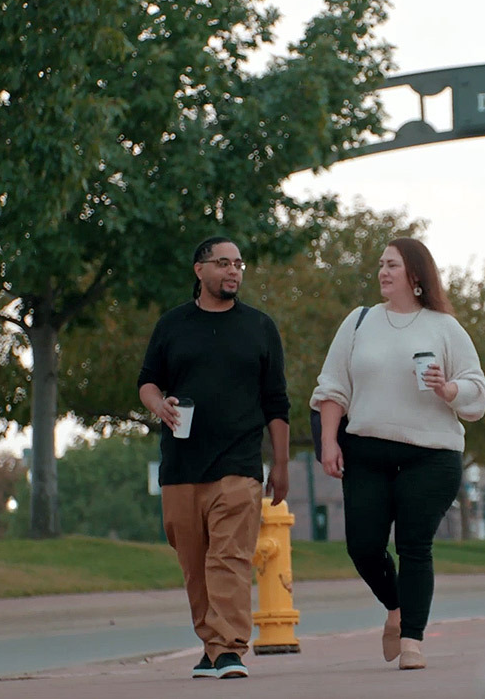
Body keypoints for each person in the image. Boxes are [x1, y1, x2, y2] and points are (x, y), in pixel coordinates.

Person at [311, 237, 485, 671]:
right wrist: (329, 442)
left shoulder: (445, 328)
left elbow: (477, 392)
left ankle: (412, 641)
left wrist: (448, 388)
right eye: (381, 265)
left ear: (415, 273)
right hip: (366, 452)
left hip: (431, 455)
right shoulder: (359, 321)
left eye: (391, 265)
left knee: (414, 546)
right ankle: (396, 608)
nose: (382, 272)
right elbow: (332, 388)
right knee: (363, 547)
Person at [138, 236, 291, 680]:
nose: (233, 271)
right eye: (223, 263)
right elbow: (148, 382)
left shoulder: (260, 327)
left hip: (239, 463)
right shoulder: (172, 325)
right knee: (195, 564)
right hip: (181, 466)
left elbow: (276, 402)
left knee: (229, 558)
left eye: (238, 264)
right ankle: (213, 646)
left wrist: (280, 464)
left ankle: (229, 649)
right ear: (199, 270)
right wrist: (159, 404)